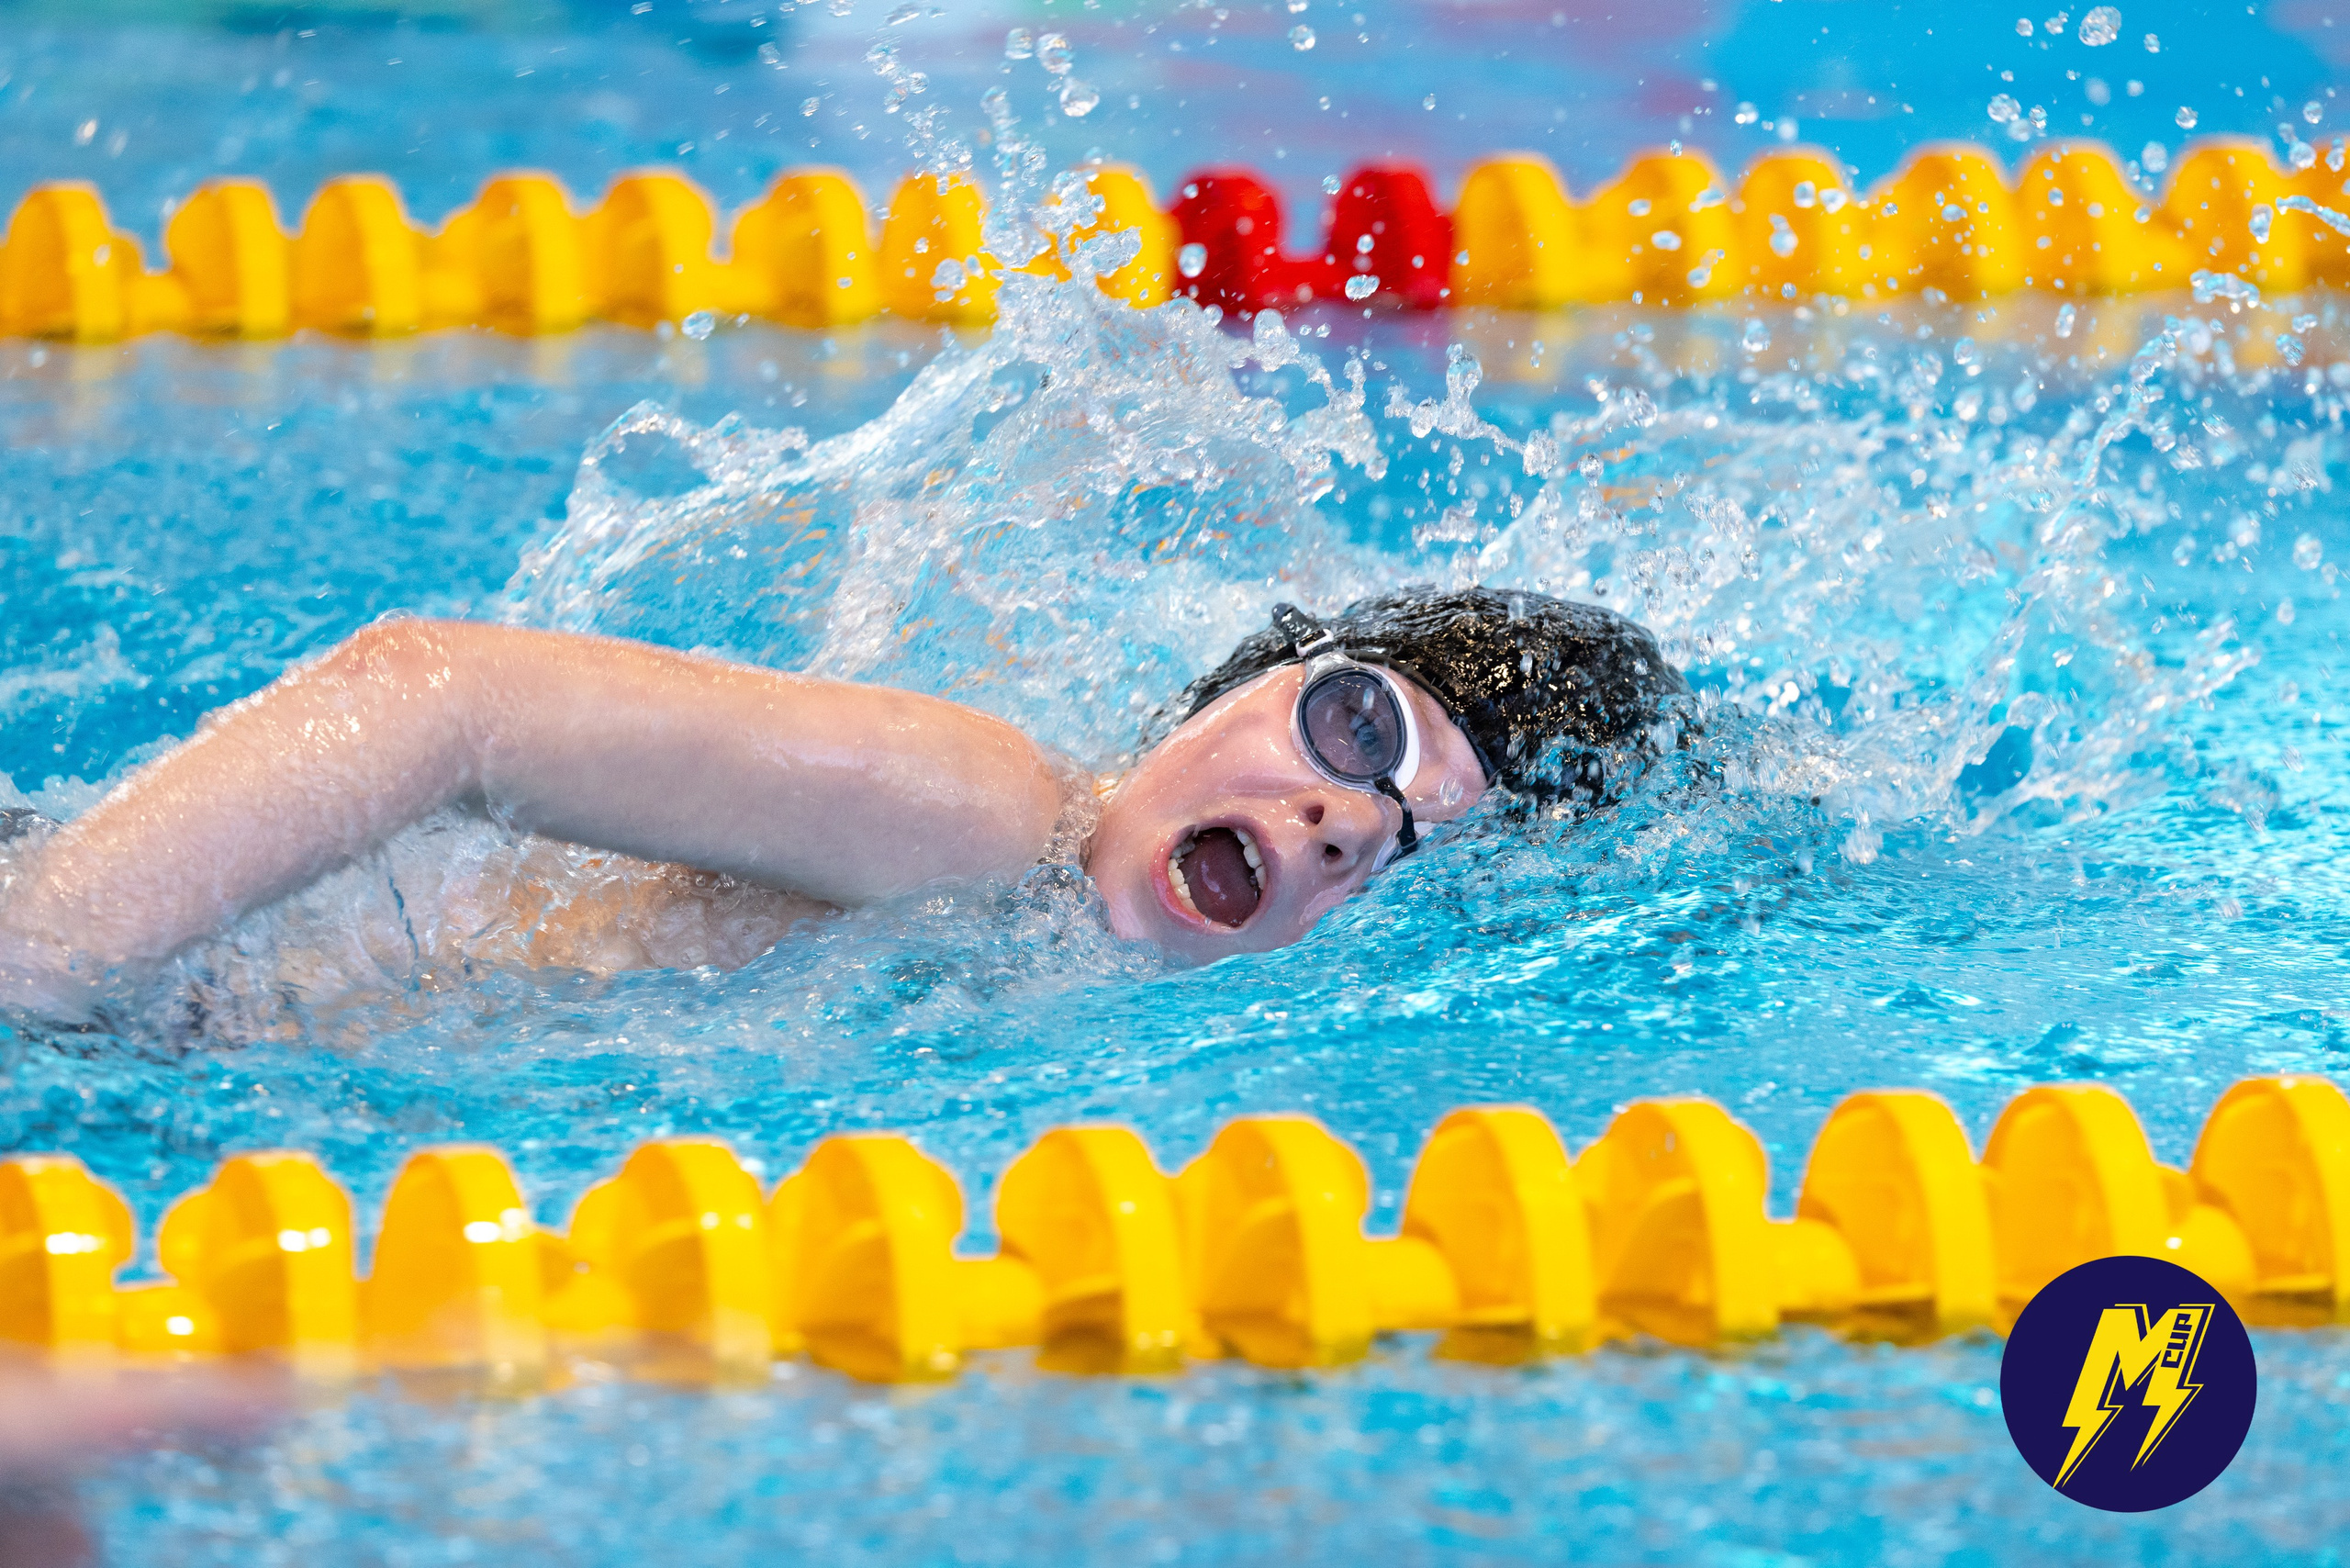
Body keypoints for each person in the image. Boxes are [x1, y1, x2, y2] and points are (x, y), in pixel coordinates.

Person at [0, 587, 1684, 1021]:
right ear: (1238, 683)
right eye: (1350, 727)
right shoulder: (976, 812)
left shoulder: (1050, 969)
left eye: (1403, 846)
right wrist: (52, 951)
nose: (1339, 821)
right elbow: (436, 687)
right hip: (136, 974)